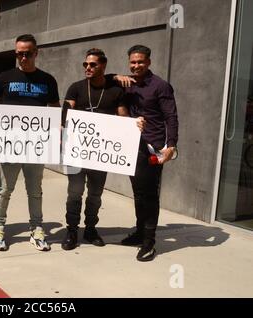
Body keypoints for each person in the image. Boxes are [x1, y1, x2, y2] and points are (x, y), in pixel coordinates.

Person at [0, 34, 60, 251]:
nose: (22, 58)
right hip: (10, 145)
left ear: (36, 53)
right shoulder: (4, 77)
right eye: (18, 54)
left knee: (35, 190)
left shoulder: (47, 80)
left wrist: (58, 128)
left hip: (36, 146)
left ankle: (36, 228)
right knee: (5, 189)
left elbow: (55, 108)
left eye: (27, 53)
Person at [61, 49, 142, 251]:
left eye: (93, 64)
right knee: (74, 193)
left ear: (103, 66)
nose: (88, 68)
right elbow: (66, 112)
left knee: (95, 195)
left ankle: (90, 229)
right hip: (77, 153)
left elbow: (123, 117)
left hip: (101, 155)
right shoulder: (76, 88)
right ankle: (71, 231)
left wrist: (133, 126)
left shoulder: (115, 91)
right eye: (85, 64)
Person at [119, 45, 179, 262]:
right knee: (138, 193)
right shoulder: (127, 84)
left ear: (149, 62)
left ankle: (149, 242)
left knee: (150, 195)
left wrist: (171, 145)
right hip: (130, 147)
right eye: (133, 62)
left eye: (140, 62)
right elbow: (102, 80)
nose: (136, 66)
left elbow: (171, 117)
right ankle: (139, 232)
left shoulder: (161, 86)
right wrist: (115, 76)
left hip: (152, 148)